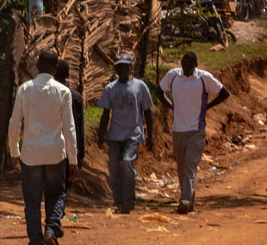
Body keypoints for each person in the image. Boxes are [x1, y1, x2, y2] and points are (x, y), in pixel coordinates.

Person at [7, 50, 78, 245]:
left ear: (37, 66)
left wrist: (14, 152)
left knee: (32, 202)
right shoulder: (63, 92)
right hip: (56, 153)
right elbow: (70, 128)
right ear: (55, 68)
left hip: (30, 154)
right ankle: (52, 229)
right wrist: (73, 159)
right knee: (56, 195)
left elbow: (14, 123)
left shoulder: (24, 90)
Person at [158, 52, 230, 214]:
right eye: (184, 63)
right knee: (182, 168)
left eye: (190, 64)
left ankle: (184, 200)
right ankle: (190, 202)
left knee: (190, 165)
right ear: (181, 63)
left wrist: (208, 107)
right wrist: (171, 106)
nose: (187, 67)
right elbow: (159, 91)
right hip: (177, 130)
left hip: (196, 131)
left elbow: (224, 93)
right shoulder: (173, 76)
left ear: (196, 65)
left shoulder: (204, 78)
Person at [97, 53, 154, 214]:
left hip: (133, 133)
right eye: (120, 67)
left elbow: (147, 112)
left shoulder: (140, 86)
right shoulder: (110, 89)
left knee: (127, 162)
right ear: (116, 69)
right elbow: (105, 114)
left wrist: (150, 134)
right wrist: (101, 135)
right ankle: (119, 201)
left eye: (126, 66)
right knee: (114, 167)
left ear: (131, 68)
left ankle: (129, 200)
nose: (123, 70)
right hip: (115, 134)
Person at [55, 60, 86, 170]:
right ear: (68, 75)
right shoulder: (76, 97)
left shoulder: (47, 93)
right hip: (69, 150)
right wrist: (80, 154)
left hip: (51, 148)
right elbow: (79, 127)